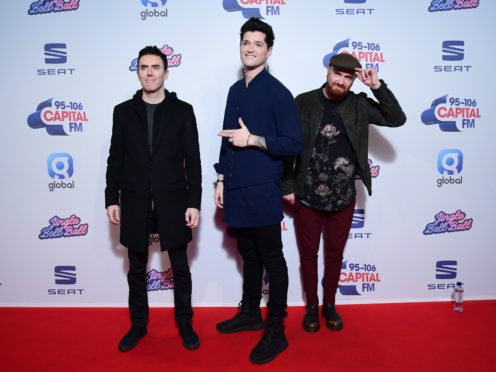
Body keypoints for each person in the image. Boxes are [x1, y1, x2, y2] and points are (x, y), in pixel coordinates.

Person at [282, 53, 406, 333]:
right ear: (328, 71)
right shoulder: (303, 102)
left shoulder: (359, 105)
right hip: (307, 195)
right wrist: (287, 185)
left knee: (335, 255)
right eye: (338, 74)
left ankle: (329, 305)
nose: (341, 81)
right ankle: (312, 306)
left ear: (354, 80)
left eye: (348, 77)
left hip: (343, 197)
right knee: (308, 255)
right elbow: (287, 146)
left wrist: (377, 86)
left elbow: (397, 119)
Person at [214, 18, 303, 364]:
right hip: (235, 186)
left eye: (257, 43)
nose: (250, 48)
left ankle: (276, 329)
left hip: (263, 189)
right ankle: (251, 312)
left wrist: (253, 139)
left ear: (269, 49)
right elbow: (225, 137)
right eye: (245, 42)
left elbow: (294, 143)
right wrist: (221, 179)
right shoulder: (235, 91)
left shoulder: (278, 92)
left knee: (272, 259)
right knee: (248, 256)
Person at [105, 46, 202, 352]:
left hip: (172, 200)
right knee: (136, 268)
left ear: (166, 72)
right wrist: (112, 198)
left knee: (180, 266)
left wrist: (193, 202)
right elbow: (115, 159)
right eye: (144, 67)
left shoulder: (183, 110)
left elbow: (194, 160)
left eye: (155, 67)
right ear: (138, 72)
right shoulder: (122, 111)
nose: (150, 72)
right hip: (134, 200)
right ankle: (138, 325)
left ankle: (185, 323)